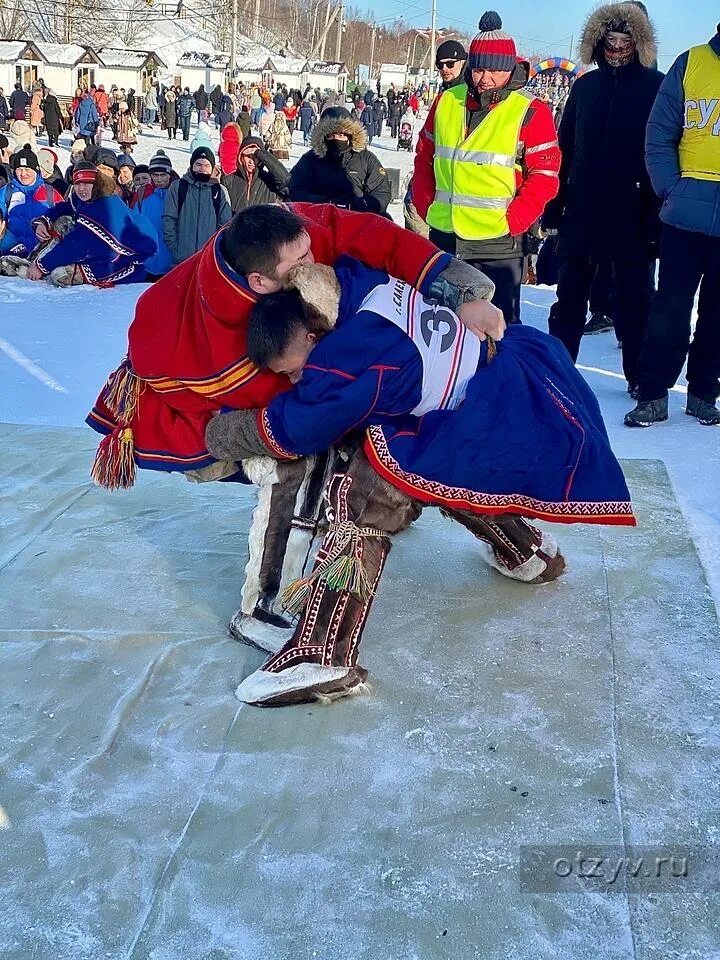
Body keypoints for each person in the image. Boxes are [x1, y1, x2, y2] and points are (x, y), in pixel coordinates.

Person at [205, 256, 634, 706]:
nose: (296, 380)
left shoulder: (341, 358)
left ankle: (322, 655)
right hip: (514, 372)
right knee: (430, 460)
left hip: (505, 412)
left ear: (313, 337)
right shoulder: (357, 285)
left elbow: (298, 427)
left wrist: (225, 434)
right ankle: (525, 551)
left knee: (366, 493)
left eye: (293, 368)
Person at [86, 204, 505, 653]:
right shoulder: (193, 337)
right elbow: (289, 415)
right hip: (201, 412)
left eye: (309, 249)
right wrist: (326, 396)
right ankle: (264, 606)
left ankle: (520, 546)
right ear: (261, 284)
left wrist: (460, 292)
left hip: (318, 384)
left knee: (408, 432)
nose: (314, 261)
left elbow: (367, 234)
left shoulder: (289, 235)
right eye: (300, 263)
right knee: (297, 460)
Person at [543, 2, 664, 395]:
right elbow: (565, 149)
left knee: (636, 301)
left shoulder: (655, 86)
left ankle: (641, 381)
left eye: (624, 39)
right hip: (584, 209)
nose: (616, 47)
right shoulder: (585, 87)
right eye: (609, 39)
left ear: (638, 42)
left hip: (634, 212)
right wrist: (555, 204)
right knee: (570, 298)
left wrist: (657, 215)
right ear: (597, 42)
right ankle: (559, 373)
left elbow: (664, 152)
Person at [413, 11, 561, 326]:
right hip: (446, 237)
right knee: (443, 325)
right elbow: (425, 154)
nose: (485, 78)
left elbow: (545, 177)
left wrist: (516, 218)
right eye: (479, 68)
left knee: (500, 329)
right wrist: (426, 202)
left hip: (499, 244)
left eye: (494, 70)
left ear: (509, 68)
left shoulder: (530, 112)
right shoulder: (446, 101)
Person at [625, 20, 720, 427]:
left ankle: (703, 392)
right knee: (670, 308)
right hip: (685, 214)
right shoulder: (692, 63)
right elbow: (659, 134)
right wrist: (670, 188)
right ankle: (652, 393)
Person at [27, 161, 157, 286]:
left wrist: (42, 267)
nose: (81, 189)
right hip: (102, 248)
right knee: (63, 222)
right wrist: (44, 221)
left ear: (95, 184)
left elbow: (76, 245)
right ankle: (34, 260)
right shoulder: (85, 198)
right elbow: (64, 207)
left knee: (59, 275)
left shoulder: (104, 206)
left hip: (127, 258)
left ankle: (38, 265)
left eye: (86, 184)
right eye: (78, 184)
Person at [289, 106, 391, 215]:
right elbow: (297, 190)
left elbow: (381, 191)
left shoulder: (366, 159)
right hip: (319, 218)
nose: (336, 139)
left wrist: (362, 204)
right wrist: (325, 202)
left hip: (359, 218)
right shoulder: (310, 159)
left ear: (350, 136)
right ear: (324, 137)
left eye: (341, 135)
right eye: (331, 136)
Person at [162, 146, 232, 266]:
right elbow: (169, 218)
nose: (202, 169)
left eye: (207, 165)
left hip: (208, 260)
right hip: (181, 260)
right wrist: (175, 248)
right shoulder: (178, 187)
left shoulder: (220, 191)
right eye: (198, 164)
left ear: (212, 167)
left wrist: (216, 251)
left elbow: (225, 225)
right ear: (192, 165)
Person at [0, 146, 64, 256]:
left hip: (41, 252)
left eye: (28, 169)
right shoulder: (6, 192)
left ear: (36, 169)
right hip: (10, 251)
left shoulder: (49, 192)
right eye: (19, 169)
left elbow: (63, 218)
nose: (23, 174)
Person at [220, 135, 290, 214]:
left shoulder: (269, 181)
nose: (251, 161)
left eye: (255, 157)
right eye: (248, 156)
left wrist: (260, 154)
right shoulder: (229, 181)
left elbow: (287, 182)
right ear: (241, 157)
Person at [140, 150, 174, 280]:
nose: (159, 179)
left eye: (163, 175)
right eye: (155, 175)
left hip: (170, 260)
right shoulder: (143, 194)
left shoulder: (177, 193)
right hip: (147, 261)